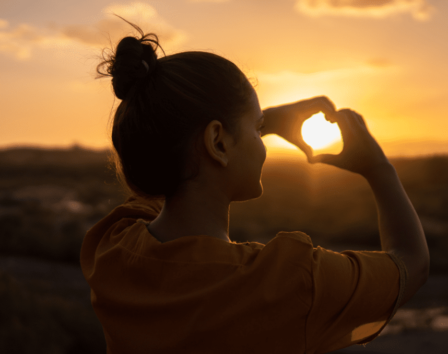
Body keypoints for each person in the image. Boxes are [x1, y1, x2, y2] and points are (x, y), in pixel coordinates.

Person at [80, 21, 429, 354]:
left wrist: (256, 122)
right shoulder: (287, 281)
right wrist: (378, 169)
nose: (262, 141)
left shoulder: (112, 248)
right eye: (257, 128)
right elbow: (411, 263)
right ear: (218, 142)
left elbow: (167, 167)